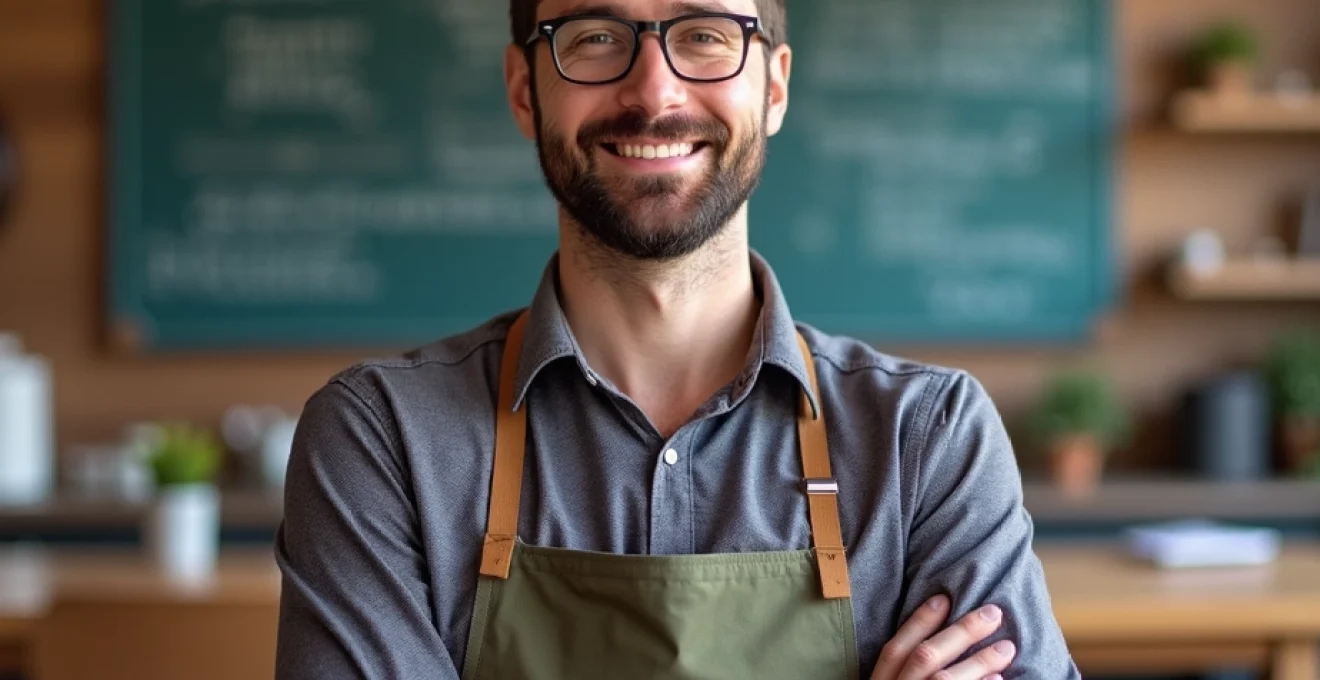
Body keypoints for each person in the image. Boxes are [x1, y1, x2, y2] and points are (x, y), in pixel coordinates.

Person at [273, 0, 1080, 678]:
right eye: (594, 37)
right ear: (525, 92)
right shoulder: (383, 438)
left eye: (704, 35)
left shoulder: (926, 439)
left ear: (774, 86)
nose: (654, 91)